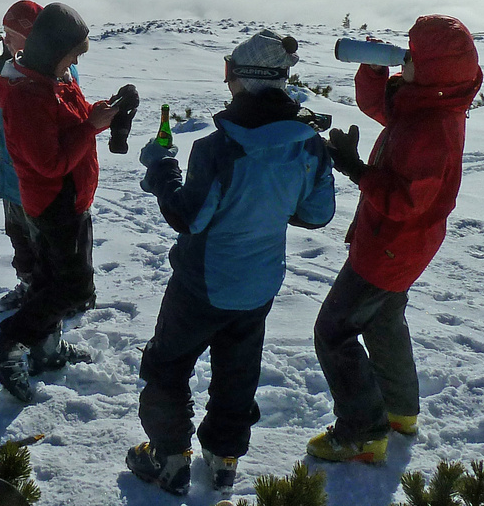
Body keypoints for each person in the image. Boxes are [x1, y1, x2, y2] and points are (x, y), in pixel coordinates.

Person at [125, 30, 338, 495]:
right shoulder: (309, 144)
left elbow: (187, 217)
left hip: (203, 281)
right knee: (237, 368)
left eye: (229, 72)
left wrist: (162, 169)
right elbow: (317, 214)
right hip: (259, 283)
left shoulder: (219, 148)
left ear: (243, 78)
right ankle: (224, 456)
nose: (226, 83)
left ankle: (168, 456)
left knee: (168, 364)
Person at [307, 14, 482, 464]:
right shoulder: (427, 102)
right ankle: (400, 410)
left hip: (389, 248)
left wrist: (356, 168)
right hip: (401, 247)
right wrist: (374, 66)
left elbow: (405, 202)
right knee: (383, 322)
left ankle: (363, 432)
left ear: (437, 70)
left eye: (413, 55)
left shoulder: (433, 130)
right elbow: (377, 105)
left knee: (333, 332)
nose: (406, 59)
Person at [0, 2, 113, 401]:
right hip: (54, 202)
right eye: (72, 54)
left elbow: (70, 120)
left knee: (54, 281)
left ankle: (43, 349)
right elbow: (50, 162)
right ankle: (6, 345)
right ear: (53, 49)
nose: (74, 62)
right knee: (72, 287)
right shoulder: (27, 95)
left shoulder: (55, 80)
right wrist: (91, 126)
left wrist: (94, 113)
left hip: (73, 197)